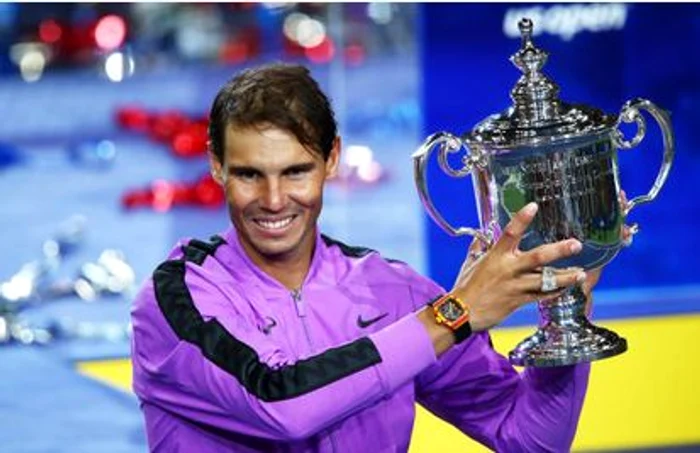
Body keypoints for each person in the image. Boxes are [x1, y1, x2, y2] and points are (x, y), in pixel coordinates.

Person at [130, 63, 602, 452]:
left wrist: (566, 312)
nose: (273, 200)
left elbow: (529, 438)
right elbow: (282, 404)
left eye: (296, 171)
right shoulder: (177, 299)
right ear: (216, 165)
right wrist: (453, 316)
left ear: (332, 159)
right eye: (250, 175)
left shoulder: (392, 292)